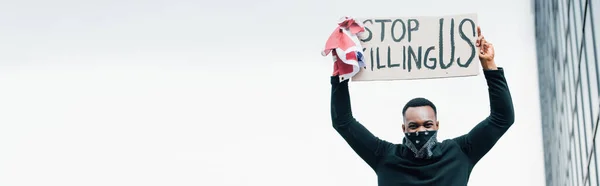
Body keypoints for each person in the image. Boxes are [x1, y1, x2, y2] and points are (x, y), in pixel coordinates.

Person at [329, 26, 514, 185]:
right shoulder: (385, 157)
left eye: (427, 125)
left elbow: (502, 118)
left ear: (437, 125)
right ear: (403, 128)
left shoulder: (460, 153)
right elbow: (343, 122)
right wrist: (340, 76)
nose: (420, 131)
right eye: (413, 126)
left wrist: (489, 64)